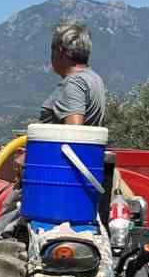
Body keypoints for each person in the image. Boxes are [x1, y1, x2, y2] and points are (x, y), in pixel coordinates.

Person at [8, 21, 109, 182]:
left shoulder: (74, 83)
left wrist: (28, 156)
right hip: (76, 171)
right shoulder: (94, 78)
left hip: (55, 174)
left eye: (52, 49)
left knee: (7, 208)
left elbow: (75, 134)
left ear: (61, 52)